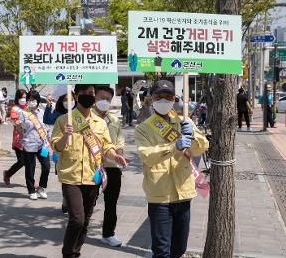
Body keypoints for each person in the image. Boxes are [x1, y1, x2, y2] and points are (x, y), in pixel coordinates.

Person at [51, 84, 127, 258]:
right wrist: (66, 136)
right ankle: (68, 254)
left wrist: (115, 156)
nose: (88, 96)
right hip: (71, 176)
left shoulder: (100, 123)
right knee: (76, 219)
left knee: (85, 221)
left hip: (92, 177)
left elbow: (107, 145)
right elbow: (57, 147)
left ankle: (75, 252)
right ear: (76, 96)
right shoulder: (64, 120)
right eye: (84, 93)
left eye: (91, 93)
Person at [135, 80, 209, 258]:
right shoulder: (143, 129)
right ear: (151, 99)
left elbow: (202, 147)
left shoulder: (184, 121)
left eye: (168, 97)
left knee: (179, 248)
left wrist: (192, 136)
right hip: (159, 196)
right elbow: (147, 156)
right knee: (161, 250)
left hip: (183, 193)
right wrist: (173, 146)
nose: (163, 100)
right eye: (158, 96)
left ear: (174, 99)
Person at [93, 86, 125, 247]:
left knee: (111, 203)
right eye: (101, 97)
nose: (104, 101)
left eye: (108, 98)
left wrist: (118, 153)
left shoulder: (114, 120)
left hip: (112, 167)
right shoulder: (87, 118)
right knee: (88, 201)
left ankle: (108, 233)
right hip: (91, 167)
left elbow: (119, 141)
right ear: (94, 97)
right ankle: (80, 229)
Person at [17, 90, 51, 200]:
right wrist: (19, 130)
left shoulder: (43, 112)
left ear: (38, 101)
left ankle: (41, 188)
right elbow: (20, 128)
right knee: (30, 168)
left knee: (46, 166)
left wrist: (49, 141)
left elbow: (47, 127)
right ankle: (31, 190)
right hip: (29, 144)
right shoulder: (23, 113)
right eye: (29, 100)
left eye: (33, 100)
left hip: (42, 144)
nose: (31, 102)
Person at [3, 89, 28, 185]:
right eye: (21, 97)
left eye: (25, 97)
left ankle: (31, 182)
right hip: (19, 138)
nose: (23, 99)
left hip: (30, 138)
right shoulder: (15, 109)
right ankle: (8, 174)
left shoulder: (28, 108)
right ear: (17, 98)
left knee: (30, 162)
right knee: (21, 161)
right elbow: (14, 122)